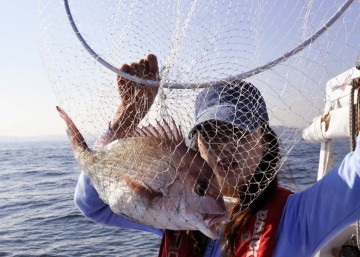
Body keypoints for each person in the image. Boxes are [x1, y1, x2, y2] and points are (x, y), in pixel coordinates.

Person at [74, 54, 360, 257]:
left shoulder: (298, 217)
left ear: (265, 142)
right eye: (211, 134)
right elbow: (92, 204)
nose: (225, 146)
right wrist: (125, 120)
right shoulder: (178, 216)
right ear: (196, 147)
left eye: (239, 131)